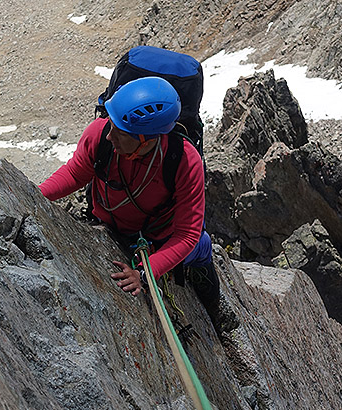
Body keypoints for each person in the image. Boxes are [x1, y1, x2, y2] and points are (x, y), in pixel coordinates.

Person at [39, 76, 234, 330]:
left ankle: (215, 317)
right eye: (111, 125)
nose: (110, 136)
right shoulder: (99, 133)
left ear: (148, 139)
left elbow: (187, 234)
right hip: (108, 224)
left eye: (120, 132)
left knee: (201, 246)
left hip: (158, 238)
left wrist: (146, 271)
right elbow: (76, 173)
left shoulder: (184, 161)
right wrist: (36, 193)